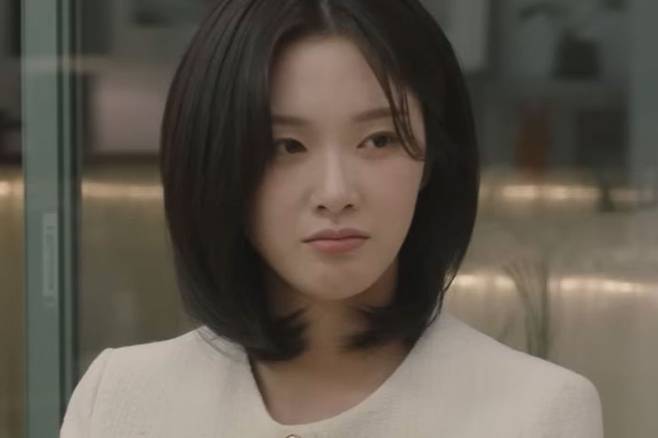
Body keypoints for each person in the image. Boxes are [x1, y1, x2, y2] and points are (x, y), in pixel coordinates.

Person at [60, 0, 604, 436]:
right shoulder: (121, 402)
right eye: (286, 146)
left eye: (379, 139)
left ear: (433, 159)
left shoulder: (536, 413)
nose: (336, 193)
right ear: (218, 164)